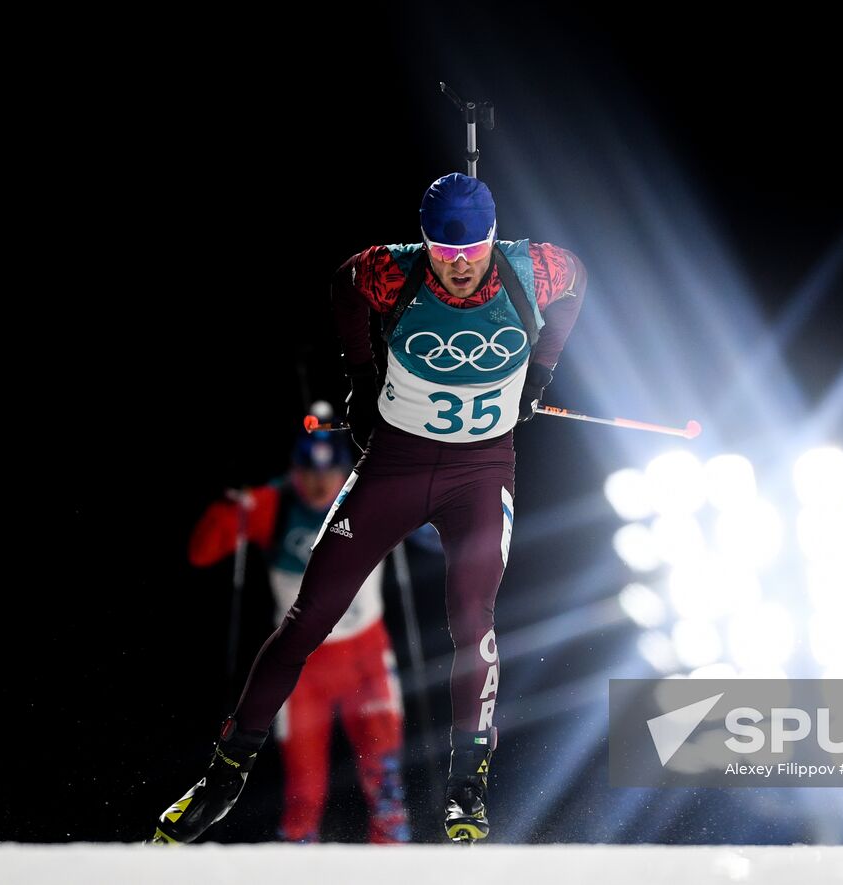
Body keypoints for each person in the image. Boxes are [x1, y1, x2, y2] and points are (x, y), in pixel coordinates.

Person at [152, 172, 587, 844]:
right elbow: (344, 286)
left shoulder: (536, 268)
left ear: (492, 238)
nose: (461, 265)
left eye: (472, 249)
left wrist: (543, 368)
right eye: (446, 252)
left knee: (473, 618)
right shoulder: (395, 272)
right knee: (307, 617)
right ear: (426, 244)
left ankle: (467, 787)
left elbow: (577, 281)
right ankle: (224, 774)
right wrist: (360, 374)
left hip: (479, 474)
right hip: (395, 468)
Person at [185, 420, 410, 843]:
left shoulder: (372, 495)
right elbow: (201, 553)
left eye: (329, 473)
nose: (319, 484)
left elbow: (436, 521)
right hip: (303, 671)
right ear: (295, 471)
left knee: (387, 789)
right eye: (309, 473)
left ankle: (393, 869)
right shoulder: (275, 503)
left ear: (346, 471)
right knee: (304, 796)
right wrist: (230, 509)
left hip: (367, 661)